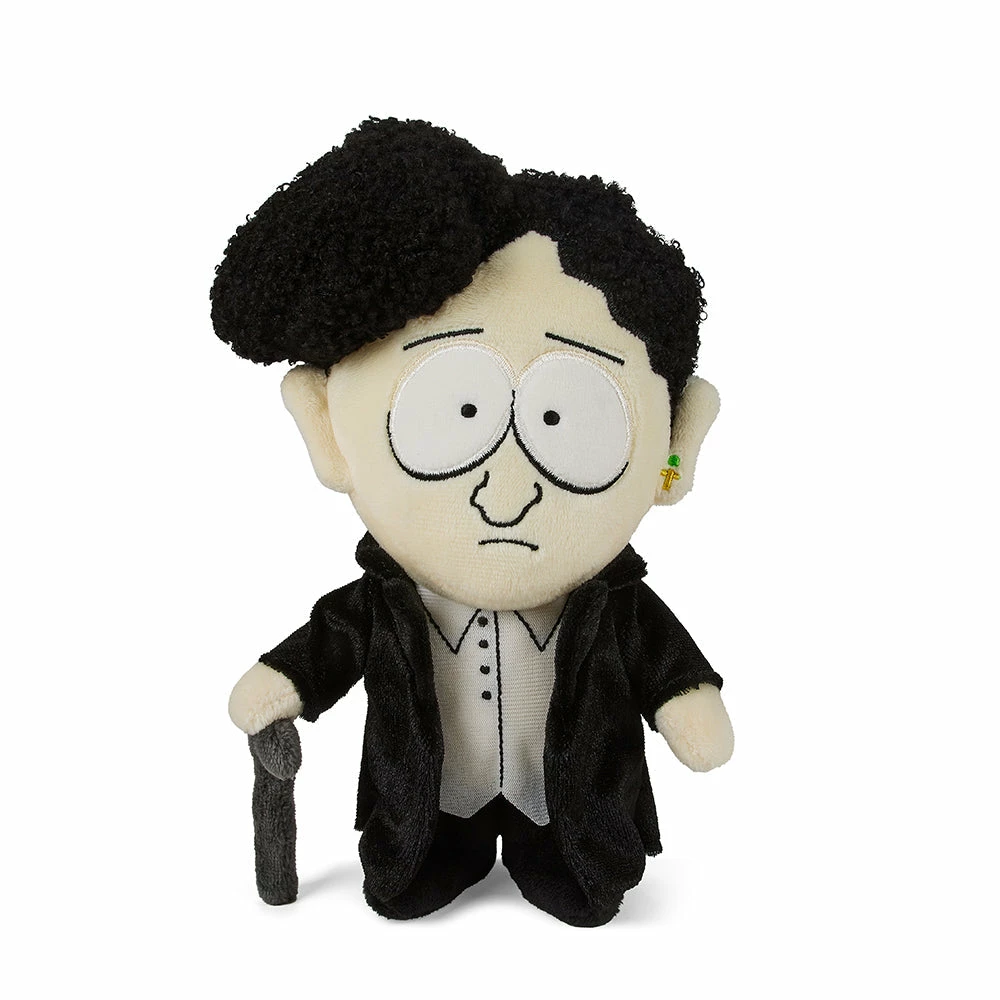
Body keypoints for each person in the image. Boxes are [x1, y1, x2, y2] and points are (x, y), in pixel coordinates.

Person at [214, 118, 734, 926]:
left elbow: (660, 657)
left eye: (563, 423)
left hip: (573, 811)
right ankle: (428, 851)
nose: (506, 496)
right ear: (328, 435)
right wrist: (285, 682)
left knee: (583, 884)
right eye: (459, 415)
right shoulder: (386, 599)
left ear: (677, 449)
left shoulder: (613, 604)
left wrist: (685, 701)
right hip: (422, 807)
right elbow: (331, 641)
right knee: (406, 881)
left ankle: (568, 852)